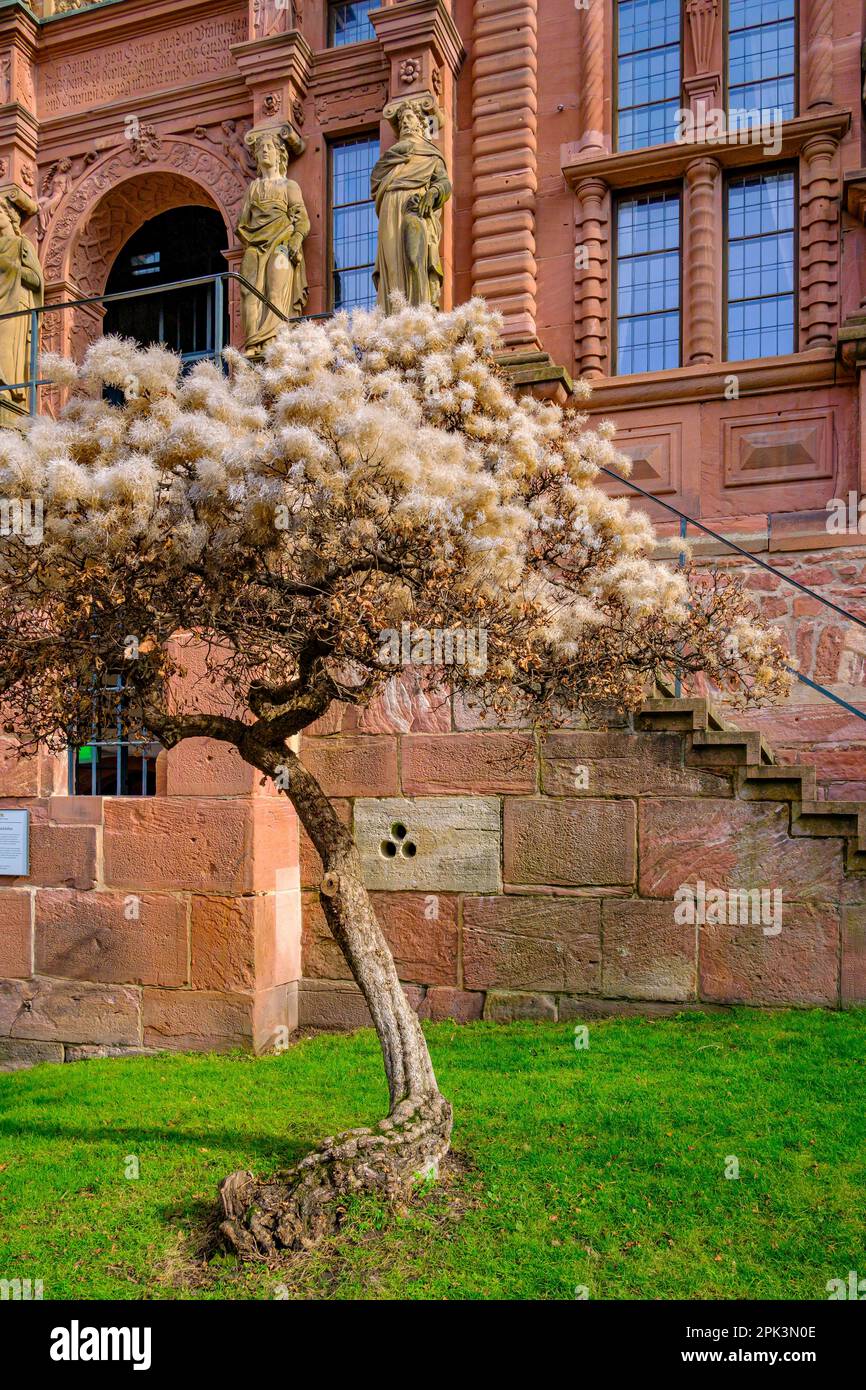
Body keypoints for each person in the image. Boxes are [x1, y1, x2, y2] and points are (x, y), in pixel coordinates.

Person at [371, 102, 451, 313]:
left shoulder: (431, 155)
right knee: (391, 262)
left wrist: (433, 193)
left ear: (420, 122)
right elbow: (376, 182)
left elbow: (444, 182)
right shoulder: (391, 157)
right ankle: (393, 314)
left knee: (414, 258)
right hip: (389, 207)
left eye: (409, 117)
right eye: (401, 119)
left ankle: (420, 311)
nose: (405, 122)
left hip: (414, 207)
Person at [236, 131, 309, 356]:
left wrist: (296, 239)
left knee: (276, 289)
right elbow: (242, 223)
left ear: (280, 154)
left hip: (282, 244)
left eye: (269, 147)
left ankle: (272, 341)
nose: (265, 150)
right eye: (261, 148)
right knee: (249, 292)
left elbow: (302, 220)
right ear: (256, 157)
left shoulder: (289, 186)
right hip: (255, 246)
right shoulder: (253, 189)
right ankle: (252, 343)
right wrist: (251, 238)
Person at [0, 192, 43, 410]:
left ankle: (7, 390)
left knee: (4, 346)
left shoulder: (21, 244)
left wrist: (12, 268)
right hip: (2, 301)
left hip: (16, 303)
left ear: (10, 216)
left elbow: (36, 280)